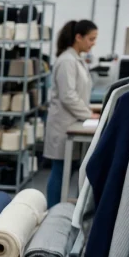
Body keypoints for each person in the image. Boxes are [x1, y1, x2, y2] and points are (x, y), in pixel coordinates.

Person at [45, 19, 97, 207]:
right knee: (59, 169)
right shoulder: (67, 60)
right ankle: (52, 211)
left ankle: (61, 210)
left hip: (72, 120)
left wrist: (87, 112)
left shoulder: (76, 59)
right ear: (78, 37)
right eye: (91, 39)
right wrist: (88, 114)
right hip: (63, 124)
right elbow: (68, 95)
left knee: (67, 169)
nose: (93, 43)